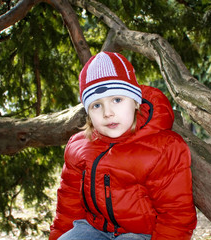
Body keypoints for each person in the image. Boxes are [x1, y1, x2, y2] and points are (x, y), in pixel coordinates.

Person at [49, 51, 197, 240]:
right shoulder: (78, 147)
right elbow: (68, 205)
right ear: (87, 113)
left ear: (136, 102)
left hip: (142, 234)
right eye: (96, 105)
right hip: (93, 228)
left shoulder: (164, 148)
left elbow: (176, 215)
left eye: (117, 100)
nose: (108, 112)